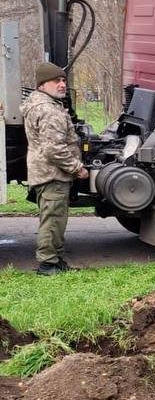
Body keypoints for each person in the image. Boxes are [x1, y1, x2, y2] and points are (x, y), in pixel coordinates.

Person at [20, 62, 88, 276]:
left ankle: (57, 261)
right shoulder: (49, 110)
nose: (62, 84)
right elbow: (54, 149)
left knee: (56, 219)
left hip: (46, 172)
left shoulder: (41, 104)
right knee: (52, 221)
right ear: (42, 85)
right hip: (52, 174)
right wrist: (77, 168)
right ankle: (48, 264)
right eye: (56, 81)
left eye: (64, 80)